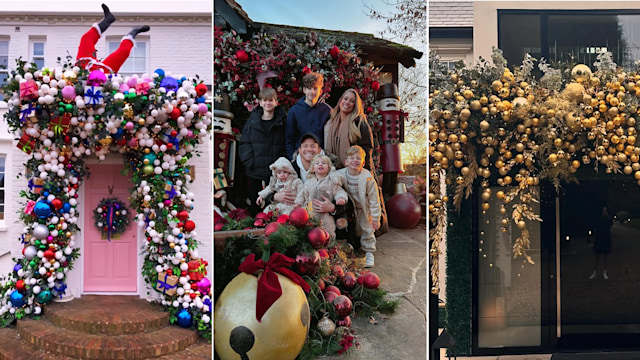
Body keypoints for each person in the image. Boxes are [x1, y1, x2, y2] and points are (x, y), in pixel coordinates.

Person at [238, 87, 288, 215]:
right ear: (260, 102)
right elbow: (244, 143)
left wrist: (280, 166)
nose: (268, 103)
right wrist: (250, 162)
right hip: (255, 172)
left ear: (276, 102)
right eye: (264, 100)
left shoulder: (282, 122)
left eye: (271, 100)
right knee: (255, 206)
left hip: (275, 174)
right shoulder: (252, 121)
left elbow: (285, 144)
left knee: (274, 207)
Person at [337, 146, 381, 267]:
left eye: (358, 158)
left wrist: (376, 217)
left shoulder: (367, 177)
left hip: (363, 207)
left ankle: (369, 252)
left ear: (363, 162)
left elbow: (374, 199)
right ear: (346, 161)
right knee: (348, 227)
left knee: (367, 228)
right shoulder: (339, 174)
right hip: (348, 208)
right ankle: (344, 250)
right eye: (352, 158)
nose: (355, 160)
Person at [76, 4, 150, 74]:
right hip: (104, 74)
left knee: (86, 39)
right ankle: (133, 32)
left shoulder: (82, 65)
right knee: (124, 51)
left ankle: (108, 20)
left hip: (83, 68)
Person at [295, 154, 348, 239]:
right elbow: (302, 194)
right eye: (317, 163)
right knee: (310, 230)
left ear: (329, 168)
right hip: (311, 212)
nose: (320, 164)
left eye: (324, 163)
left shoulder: (331, 182)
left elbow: (339, 191)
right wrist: (298, 203)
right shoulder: (309, 182)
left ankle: (329, 247)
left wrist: (341, 198)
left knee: (328, 230)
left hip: (326, 214)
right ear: (313, 168)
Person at [285, 72, 331, 159]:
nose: (312, 92)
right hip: (300, 157)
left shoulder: (327, 111)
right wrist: (292, 158)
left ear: (320, 91)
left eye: (315, 88)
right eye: (309, 88)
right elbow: (289, 139)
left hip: (321, 158)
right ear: (304, 90)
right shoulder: (294, 111)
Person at [325, 88, 374, 171]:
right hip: (335, 171)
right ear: (340, 100)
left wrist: (365, 172)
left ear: (355, 105)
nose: (347, 102)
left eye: (352, 101)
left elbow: (367, 150)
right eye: (345, 99)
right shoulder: (331, 123)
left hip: (355, 172)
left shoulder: (359, 123)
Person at [590, 206, 613, 280]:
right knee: (597, 257)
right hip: (599, 239)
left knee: (605, 257)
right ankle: (595, 272)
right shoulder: (599, 219)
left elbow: (610, 223)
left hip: (606, 239)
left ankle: (604, 272)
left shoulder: (608, 219)